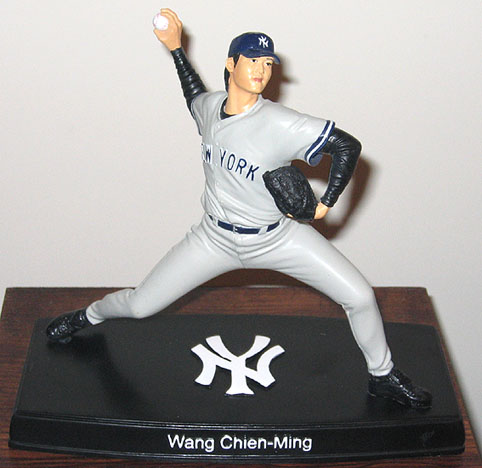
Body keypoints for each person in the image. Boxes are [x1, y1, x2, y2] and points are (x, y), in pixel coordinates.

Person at [46, 9, 431, 409]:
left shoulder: (281, 122)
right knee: (140, 305)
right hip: (213, 239)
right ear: (231, 64)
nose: (262, 70)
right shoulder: (212, 108)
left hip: (277, 239)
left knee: (361, 296)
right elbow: (193, 95)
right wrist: (176, 49)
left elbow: (347, 146)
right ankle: (88, 316)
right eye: (253, 61)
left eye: (268, 63)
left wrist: (325, 204)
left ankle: (382, 375)